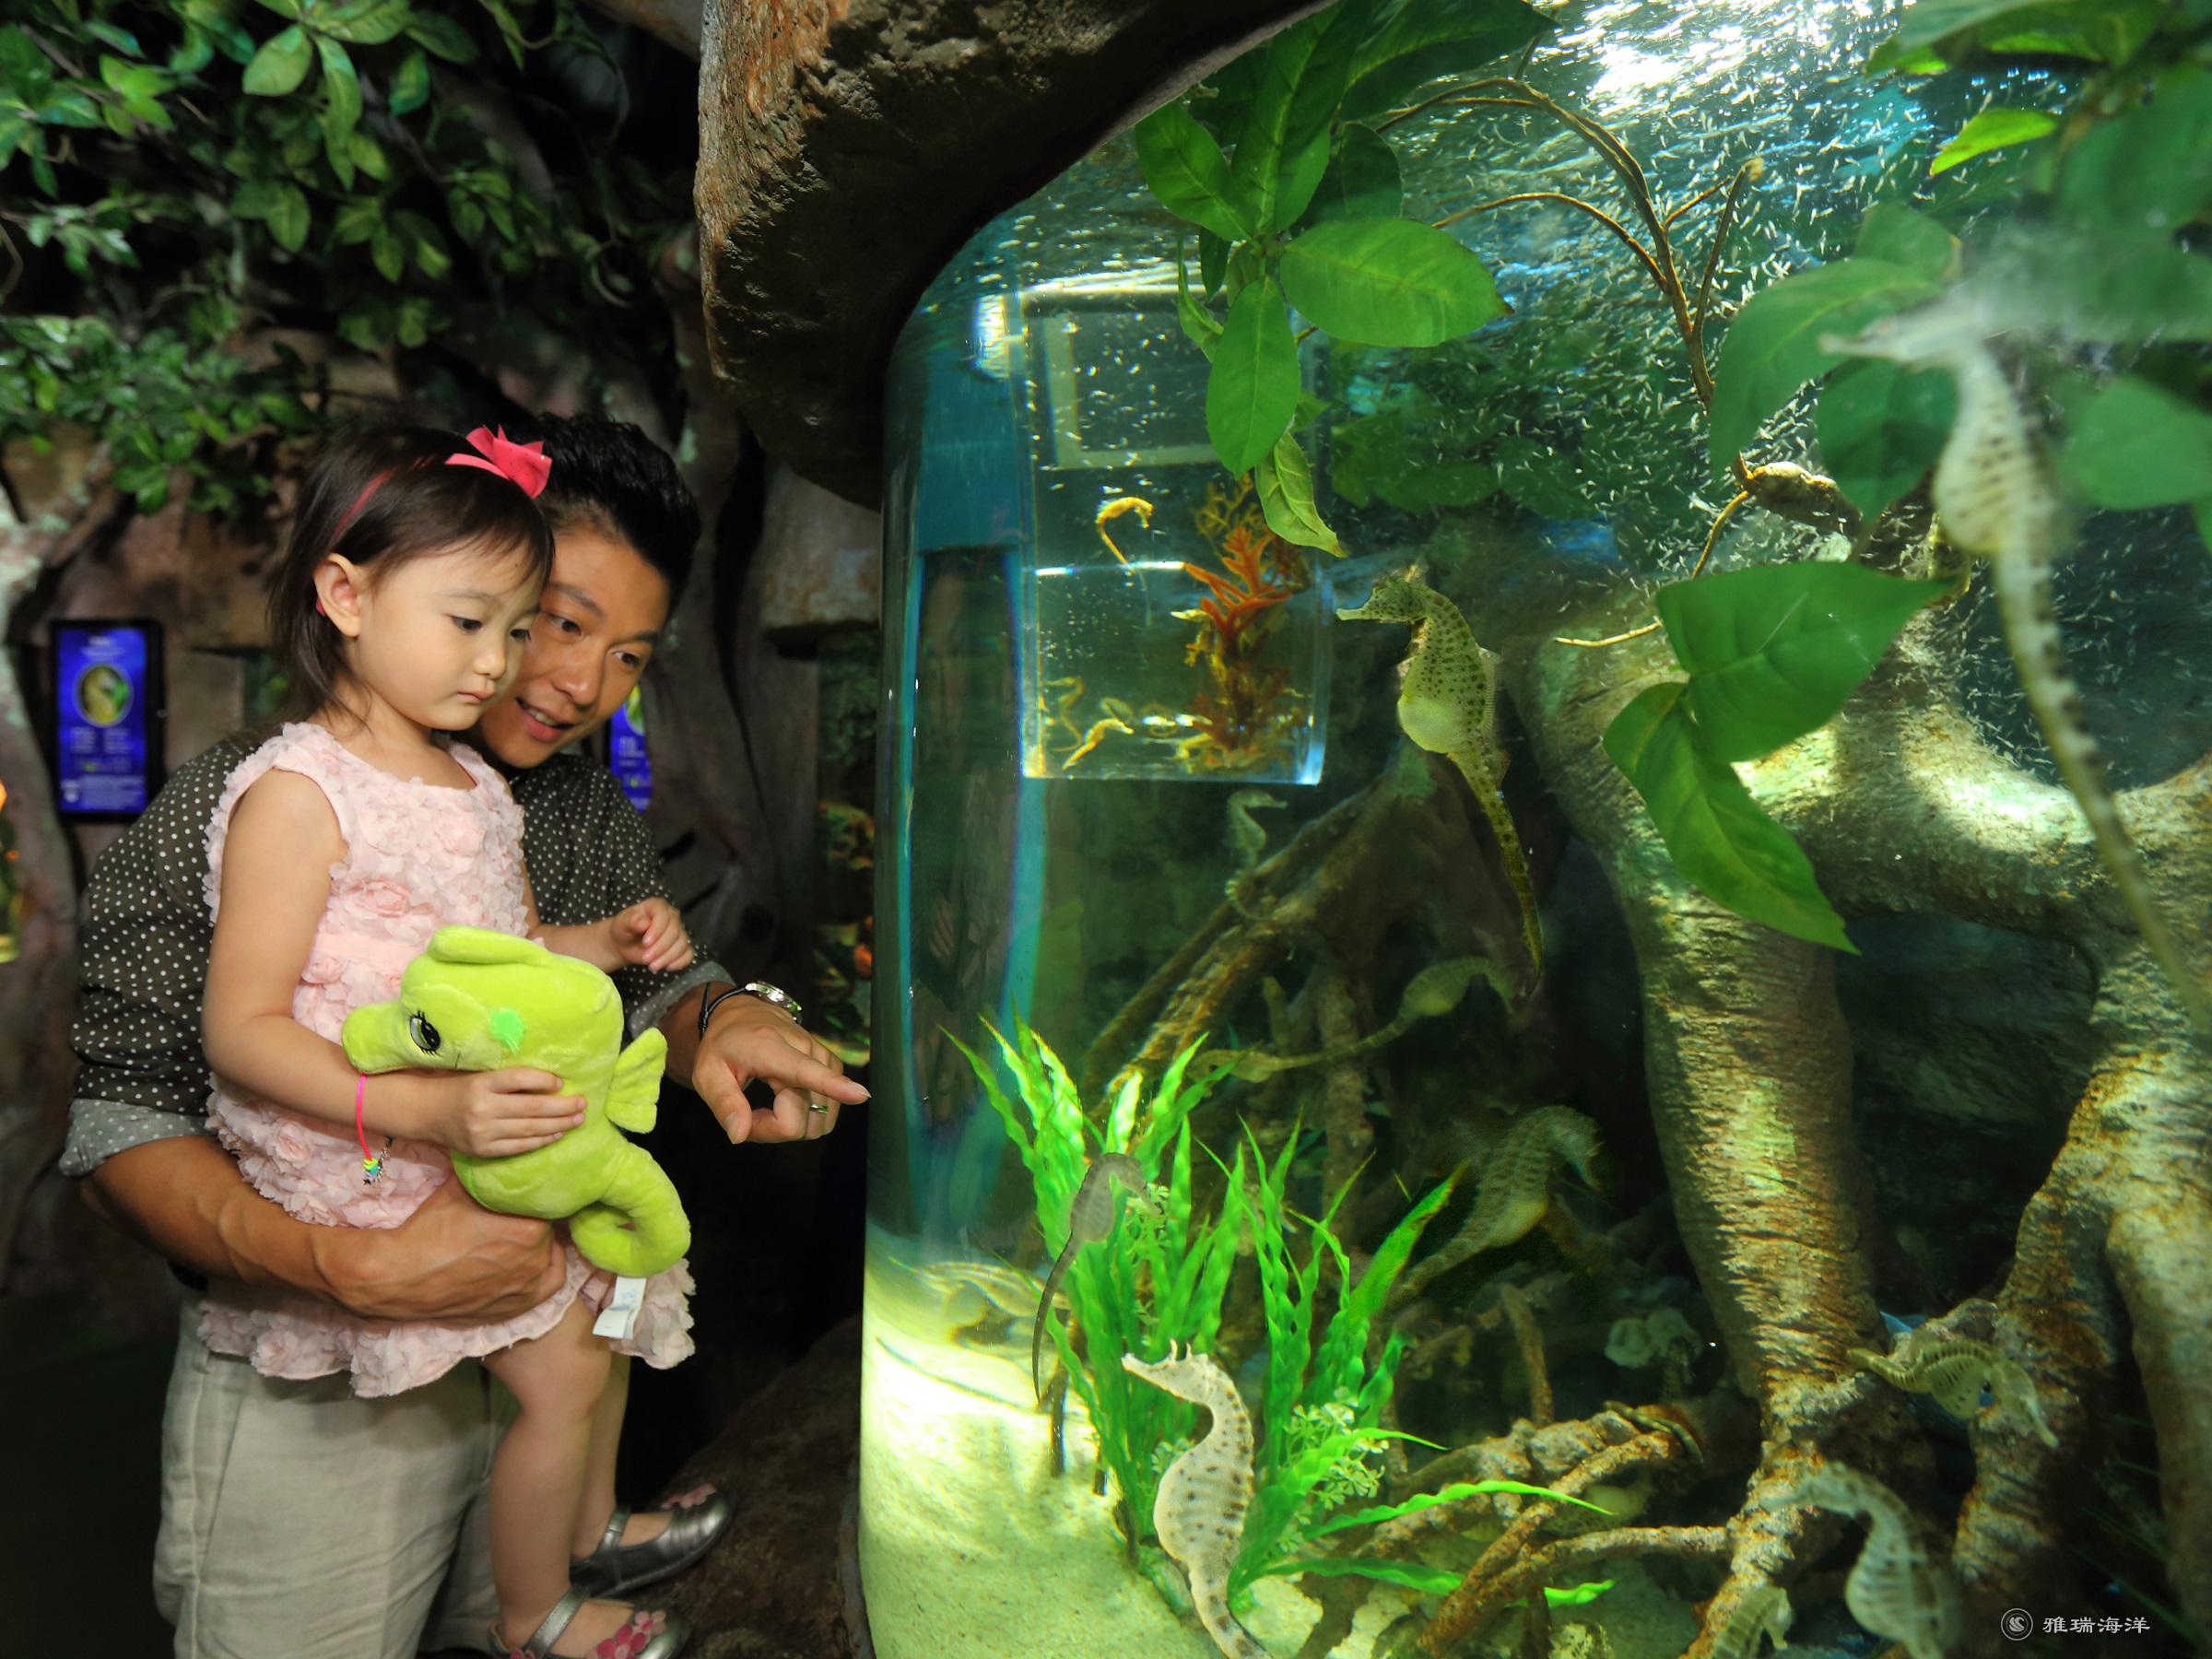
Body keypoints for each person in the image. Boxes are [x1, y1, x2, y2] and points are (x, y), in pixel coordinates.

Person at [66, 413, 869, 1659]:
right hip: (324, 1370)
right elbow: (121, 1115)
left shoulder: (557, 795)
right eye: (556, 622)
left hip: (523, 1314)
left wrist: (724, 1012)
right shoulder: (255, 801)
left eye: (629, 653)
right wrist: (343, 1266)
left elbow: (629, 976)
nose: (574, 682)